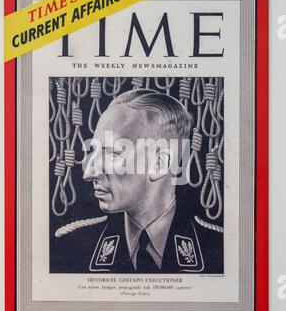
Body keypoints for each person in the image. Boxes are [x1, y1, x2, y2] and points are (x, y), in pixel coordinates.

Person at [58, 89, 223, 274]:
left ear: (160, 163)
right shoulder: (69, 247)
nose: (88, 173)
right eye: (93, 151)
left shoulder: (221, 250)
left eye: (113, 153)